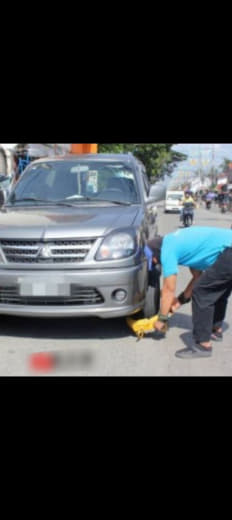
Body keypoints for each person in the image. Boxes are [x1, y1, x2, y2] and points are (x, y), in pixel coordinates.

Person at [145, 226, 232, 359]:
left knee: (202, 292)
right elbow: (197, 278)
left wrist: (162, 318)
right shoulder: (182, 244)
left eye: (154, 262)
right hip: (227, 249)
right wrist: (177, 303)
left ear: (155, 256)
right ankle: (216, 329)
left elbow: (168, 289)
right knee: (217, 289)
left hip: (229, 251)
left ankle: (203, 345)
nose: (157, 264)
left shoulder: (167, 249)